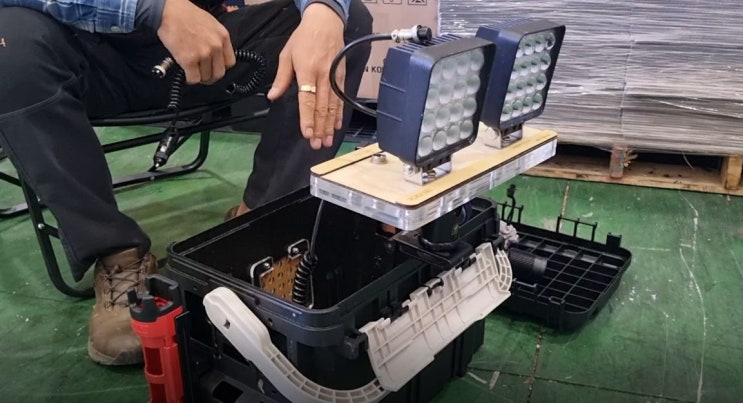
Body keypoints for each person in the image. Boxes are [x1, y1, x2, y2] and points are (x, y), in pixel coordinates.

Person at [0, 0, 372, 365]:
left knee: (343, 23)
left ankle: (257, 230)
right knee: (8, 45)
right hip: (83, 52)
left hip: (205, 48)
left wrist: (323, 9)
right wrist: (153, 9)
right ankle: (117, 258)